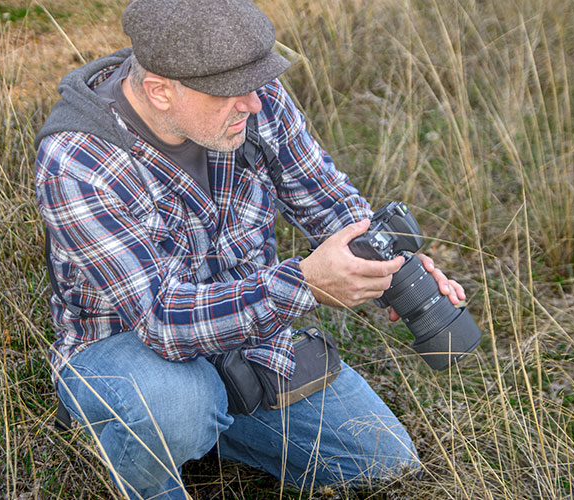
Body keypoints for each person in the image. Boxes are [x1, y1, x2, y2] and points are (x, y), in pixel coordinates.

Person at [34, 0, 466, 498]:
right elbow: (159, 318)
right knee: (176, 405)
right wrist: (303, 285)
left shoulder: (253, 99)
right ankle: (143, 436)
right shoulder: (77, 161)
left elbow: (324, 196)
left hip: (247, 342)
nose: (254, 103)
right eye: (230, 92)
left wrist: (386, 260)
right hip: (131, 353)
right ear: (159, 92)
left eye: (256, 83)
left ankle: (213, 422)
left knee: (381, 460)